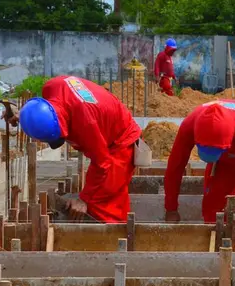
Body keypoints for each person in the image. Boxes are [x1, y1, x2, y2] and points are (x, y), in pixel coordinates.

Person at [17, 76, 142, 223]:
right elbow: (37, 113)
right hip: (109, 123)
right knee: (110, 195)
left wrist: (84, 200)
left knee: (102, 202)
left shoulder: (86, 124)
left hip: (121, 142)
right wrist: (24, 116)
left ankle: (113, 234)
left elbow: (102, 164)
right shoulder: (52, 86)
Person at [164, 100, 235, 225]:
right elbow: (175, 167)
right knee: (214, 208)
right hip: (226, 156)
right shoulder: (189, 126)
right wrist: (171, 209)